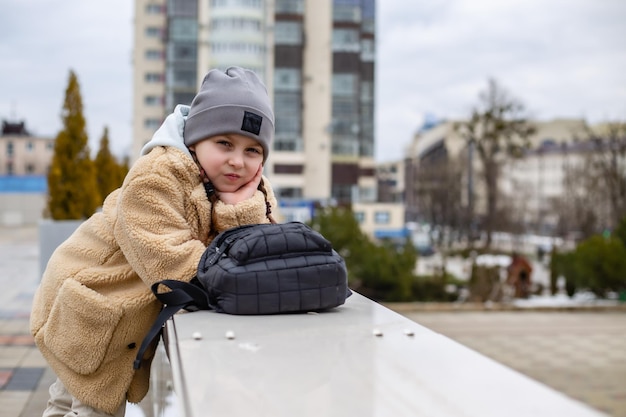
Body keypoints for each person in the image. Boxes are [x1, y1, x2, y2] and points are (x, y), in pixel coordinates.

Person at [30, 66, 277, 416]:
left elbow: (259, 253)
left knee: (66, 401)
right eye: (224, 143)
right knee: (93, 409)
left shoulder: (250, 191)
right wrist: (235, 212)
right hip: (91, 306)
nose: (237, 161)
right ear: (195, 140)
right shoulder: (155, 178)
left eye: (253, 150)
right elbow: (176, 269)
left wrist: (240, 208)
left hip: (109, 309)